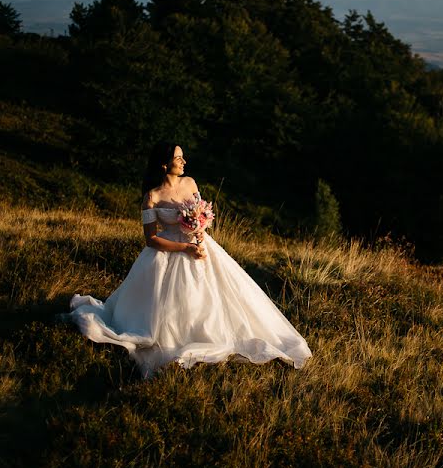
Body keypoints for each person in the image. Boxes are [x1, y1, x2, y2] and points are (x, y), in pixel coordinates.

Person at [67, 142, 312, 377]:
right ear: (164, 165)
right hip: (168, 251)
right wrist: (184, 248)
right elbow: (151, 239)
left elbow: (200, 213)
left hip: (200, 244)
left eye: (183, 156)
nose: (184, 161)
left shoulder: (190, 182)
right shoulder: (151, 197)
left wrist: (198, 237)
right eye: (178, 158)